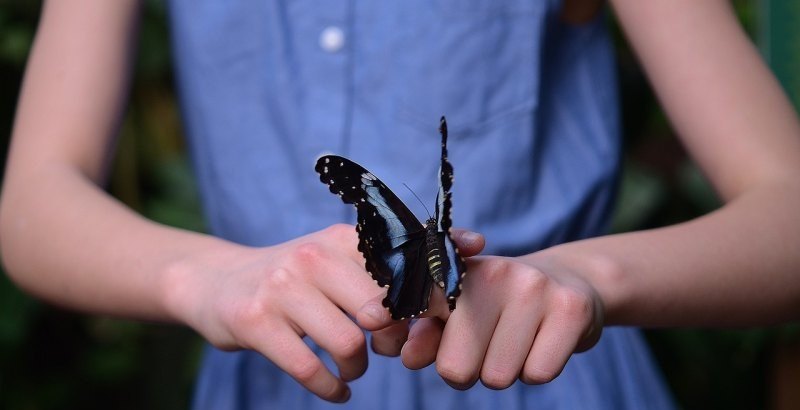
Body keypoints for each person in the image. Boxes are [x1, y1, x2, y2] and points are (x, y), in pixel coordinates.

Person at [2, 0, 799, 408]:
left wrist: (581, 279)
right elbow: (35, 201)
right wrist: (208, 278)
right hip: (275, 380)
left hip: (548, 374)